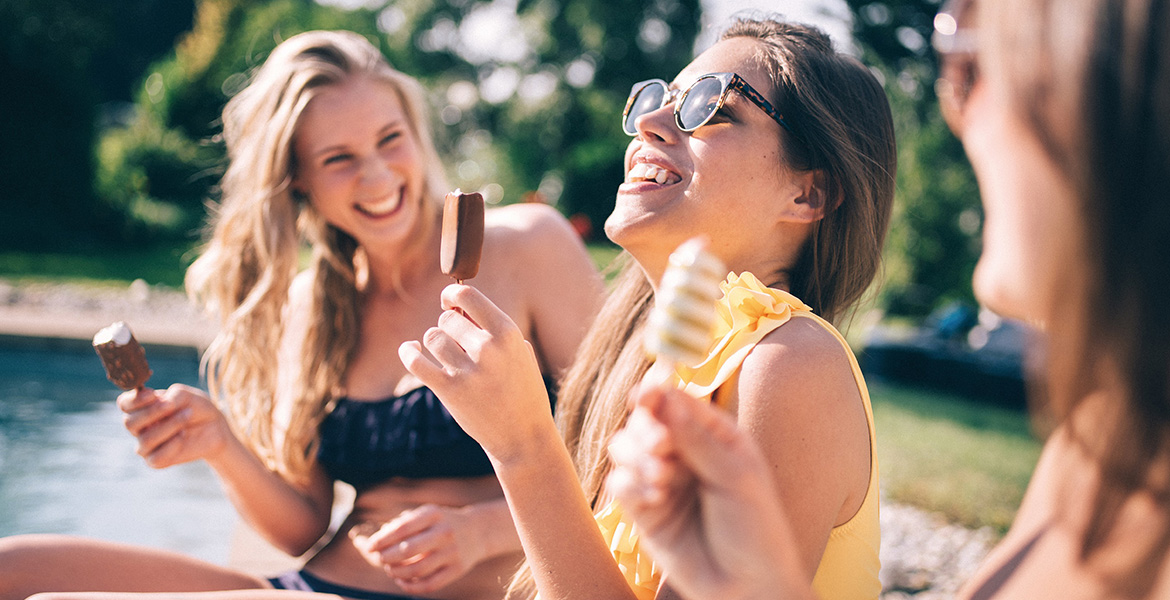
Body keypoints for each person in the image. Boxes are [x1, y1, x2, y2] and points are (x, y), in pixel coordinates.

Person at [0, 30, 604, 600]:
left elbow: (622, 451)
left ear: (417, 135)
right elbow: (303, 528)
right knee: (13, 567)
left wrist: (481, 532)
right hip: (315, 585)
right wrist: (219, 444)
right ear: (298, 180)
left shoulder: (527, 248)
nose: (376, 175)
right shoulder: (310, 306)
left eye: (390, 138)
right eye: (338, 158)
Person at [606, 0, 1170, 598]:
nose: (958, 114)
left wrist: (526, 452)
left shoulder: (787, 358)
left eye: (973, 65)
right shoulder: (1104, 449)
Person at [399, 16, 897, 600]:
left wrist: (522, 447)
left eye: (712, 107)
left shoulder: (790, 364)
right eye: (660, 98)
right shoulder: (637, 356)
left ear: (808, 192)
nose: (652, 125)